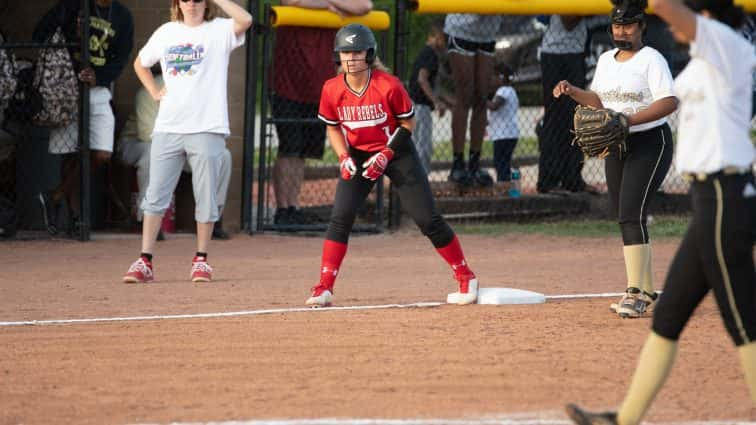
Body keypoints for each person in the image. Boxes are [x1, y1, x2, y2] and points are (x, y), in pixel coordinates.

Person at [566, 0, 755, 422]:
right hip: (709, 199)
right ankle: (624, 418)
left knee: (743, 320)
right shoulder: (706, 60)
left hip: (726, 195)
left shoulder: (727, 44)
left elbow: (667, 8)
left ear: (705, 17)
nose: (676, 27)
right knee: (668, 316)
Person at [306, 23, 480, 307]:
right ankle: (324, 286)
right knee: (341, 217)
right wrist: (344, 158)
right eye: (345, 52)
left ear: (370, 53)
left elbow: (407, 122)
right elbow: (334, 128)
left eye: (357, 52)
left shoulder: (388, 85)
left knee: (426, 219)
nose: (350, 58)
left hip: (398, 152)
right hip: (360, 155)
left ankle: (465, 275)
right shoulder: (332, 89)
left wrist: (386, 154)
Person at [552, 0, 678, 318]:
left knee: (631, 213)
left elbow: (669, 102)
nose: (622, 31)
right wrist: (572, 90)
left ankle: (636, 292)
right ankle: (645, 290)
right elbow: (599, 100)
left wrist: (628, 120)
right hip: (617, 143)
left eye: (629, 25)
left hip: (650, 142)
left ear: (641, 27)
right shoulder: (607, 60)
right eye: (617, 26)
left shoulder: (652, 59)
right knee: (624, 214)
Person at [122, 0, 252, 283]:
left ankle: (201, 260)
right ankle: (145, 260)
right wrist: (155, 92)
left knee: (205, 196)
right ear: (177, 4)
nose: (191, 3)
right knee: (155, 195)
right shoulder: (166, 32)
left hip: (207, 127)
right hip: (169, 127)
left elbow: (246, 19)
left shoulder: (219, 30)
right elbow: (140, 63)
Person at [34, 0, 134, 235]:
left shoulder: (122, 15)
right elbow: (39, 34)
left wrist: (99, 77)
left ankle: (55, 195)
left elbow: (121, 58)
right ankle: (74, 219)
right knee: (70, 154)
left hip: (98, 91)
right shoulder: (73, 6)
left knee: (101, 153)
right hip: (67, 89)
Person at [270, 0, 372, 226]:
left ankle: (293, 207)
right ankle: (282, 210)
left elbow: (365, 5)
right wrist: (328, 5)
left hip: (319, 86)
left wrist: (326, 4)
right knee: (289, 148)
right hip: (288, 82)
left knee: (303, 152)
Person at [116, 70, 232, 240]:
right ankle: (146, 220)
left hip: (184, 147)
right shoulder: (152, 89)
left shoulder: (202, 92)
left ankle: (213, 219)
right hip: (136, 144)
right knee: (151, 153)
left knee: (223, 156)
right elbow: (148, 135)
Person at [538, 15, 595, 194]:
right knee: (555, 120)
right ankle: (549, 180)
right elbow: (568, 20)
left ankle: (572, 179)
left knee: (574, 119)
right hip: (556, 55)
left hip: (575, 52)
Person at [444, 14, 503, 187]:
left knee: (481, 98)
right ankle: (458, 163)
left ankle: (475, 163)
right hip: (462, 29)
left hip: (487, 33)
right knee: (465, 96)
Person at [408, 19, 450, 175]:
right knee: (423, 146)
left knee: (416, 145)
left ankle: (414, 177)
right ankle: (420, 179)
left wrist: (446, 101)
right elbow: (422, 79)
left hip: (415, 105)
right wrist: (436, 102)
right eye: (444, 39)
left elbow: (429, 83)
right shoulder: (430, 54)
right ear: (436, 37)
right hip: (420, 106)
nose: (445, 44)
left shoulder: (425, 53)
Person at [486, 63, 519, 186]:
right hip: (507, 134)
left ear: (500, 78)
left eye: (492, 77)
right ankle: (507, 185)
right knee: (503, 162)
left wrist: (480, 98)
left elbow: (494, 106)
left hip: (504, 135)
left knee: (500, 163)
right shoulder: (510, 91)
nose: (490, 80)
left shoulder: (504, 90)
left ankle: (504, 186)